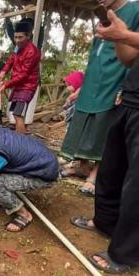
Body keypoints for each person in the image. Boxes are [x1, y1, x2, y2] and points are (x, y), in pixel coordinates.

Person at [71, 8, 139, 274]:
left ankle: (125, 254)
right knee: (111, 170)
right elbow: (129, 59)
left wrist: (124, 34)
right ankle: (105, 222)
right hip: (132, 96)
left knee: (136, 184)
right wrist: (120, 37)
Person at [59, 0, 139, 198]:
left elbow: (131, 58)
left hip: (115, 79)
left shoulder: (135, 10)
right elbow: (94, 54)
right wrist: (81, 87)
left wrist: (124, 87)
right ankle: (82, 166)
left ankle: (96, 174)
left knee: (105, 127)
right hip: (93, 79)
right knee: (83, 123)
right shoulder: (104, 14)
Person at [0, 21, 41, 134]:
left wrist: (6, 84)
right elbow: (11, 60)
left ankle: (21, 144)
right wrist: (3, 71)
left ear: (28, 36)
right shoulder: (17, 47)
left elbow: (24, 74)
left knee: (18, 115)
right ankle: (19, 141)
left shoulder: (32, 51)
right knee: (16, 115)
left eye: (20, 37)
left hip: (27, 86)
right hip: (18, 85)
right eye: (15, 37)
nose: (17, 40)